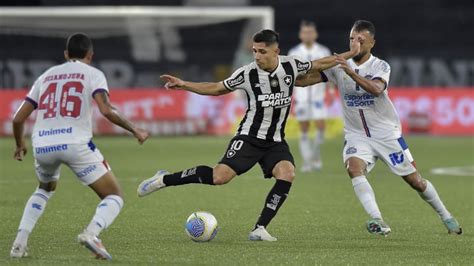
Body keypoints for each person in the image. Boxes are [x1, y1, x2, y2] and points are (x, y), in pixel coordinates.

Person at [137, 29, 360, 241]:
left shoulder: (291, 64)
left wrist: (350, 54)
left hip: (274, 141)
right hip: (249, 137)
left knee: (287, 173)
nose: (257, 56)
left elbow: (318, 64)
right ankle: (163, 179)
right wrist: (184, 84)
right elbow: (216, 88)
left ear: (276, 51)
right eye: (254, 51)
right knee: (219, 177)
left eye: (262, 51)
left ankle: (260, 228)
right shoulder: (247, 73)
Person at [295, 20, 462, 235]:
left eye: (360, 40)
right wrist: (287, 77)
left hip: (386, 134)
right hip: (356, 134)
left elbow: (376, 89)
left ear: (372, 42)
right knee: (354, 168)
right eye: (351, 39)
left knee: (415, 181)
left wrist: (352, 73)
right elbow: (304, 79)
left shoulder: (381, 66)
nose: (355, 43)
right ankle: (377, 220)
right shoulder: (339, 66)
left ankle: (446, 216)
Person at [10, 33, 150, 260]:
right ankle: (92, 234)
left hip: (42, 144)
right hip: (76, 144)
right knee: (114, 195)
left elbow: (18, 119)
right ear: (90, 55)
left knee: (44, 189)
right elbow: (106, 110)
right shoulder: (93, 74)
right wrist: (135, 129)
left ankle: (19, 243)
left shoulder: (46, 76)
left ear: (66, 55)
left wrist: (19, 145)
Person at [288, 20, 336, 172]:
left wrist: (332, 91)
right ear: (300, 34)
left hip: (318, 97)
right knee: (304, 128)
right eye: (305, 32)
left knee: (321, 127)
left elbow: (330, 72)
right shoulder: (294, 52)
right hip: (301, 96)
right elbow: (289, 76)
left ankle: (314, 156)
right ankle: (307, 162)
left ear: (315, 34)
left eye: (310, 32)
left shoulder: (323, 51)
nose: (307, 35)